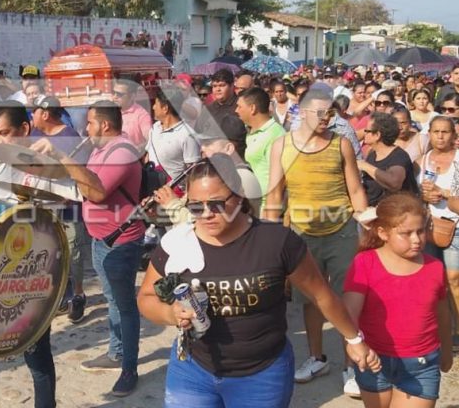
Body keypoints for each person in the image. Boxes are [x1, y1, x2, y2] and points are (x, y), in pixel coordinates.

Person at [137, 154, 380, 408]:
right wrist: (170, 313)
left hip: (262, 377)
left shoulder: (276, 242)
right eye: (196, 206)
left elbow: (321, 295)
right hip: (192, 371)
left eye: (217, 204)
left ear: (239, 196)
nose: (207, 214)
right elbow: (145, 298)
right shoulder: (178, 242)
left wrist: (355, 340)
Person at [33, 101, 143, 397]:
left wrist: (60, 154)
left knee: (125, 306)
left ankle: (129, 369)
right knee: (111, 300)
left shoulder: (121, 152)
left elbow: (96, 190)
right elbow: (85, 187)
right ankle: (116, 352)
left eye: (90, 123)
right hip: (101, 238)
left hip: (120, 242)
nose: (85, 128)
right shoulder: (99, 149)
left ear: (105, 125)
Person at [265, 87, 368, 396]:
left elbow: (356, 188)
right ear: (304, 113)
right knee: (310, 299)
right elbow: (274, 195)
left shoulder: (342, 145)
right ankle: (316, 358)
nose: (326, 119)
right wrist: (270, 238)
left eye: (331, 114)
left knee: (345, 300)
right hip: (301, 235)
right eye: (321, 113)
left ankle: (351, 367)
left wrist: (364, 224)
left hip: (342, 233)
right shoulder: (281, 146)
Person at [0, 102, 58, 408]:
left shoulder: (47, 169)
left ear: (25, 130)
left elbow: (53, 226)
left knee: (36, 357)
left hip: (30, 280)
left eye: (4, 133)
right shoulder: (1, 168)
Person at [344, 193, 452, 407]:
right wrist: (354, 345)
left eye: (420, 231)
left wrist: (446, 350)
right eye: (406, 233)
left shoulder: (435, 267)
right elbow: (349, 312)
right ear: (383, 233)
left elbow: (442, 313)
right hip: (375, 360)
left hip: (422, 363)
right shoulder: (365, 263)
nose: (416, 239)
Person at [31, 95, 90, 322]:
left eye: (34, 111)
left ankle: (78, 294)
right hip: (42, 203)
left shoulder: (70, 136)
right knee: (48, 251)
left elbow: (81, 171)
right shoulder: (35, 135)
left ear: (45, 113)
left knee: (73, 251)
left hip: (67, 205)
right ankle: (57, 295)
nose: (32, 116)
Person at [420, 117, 459, 343]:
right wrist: (423, 196)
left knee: (453, 278)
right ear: (430, 134)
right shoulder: (421, 161)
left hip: (454, 226)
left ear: (453, 135)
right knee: (434, 280)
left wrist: (443, 193)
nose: (441, 136)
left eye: (445, 132)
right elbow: (413, 194)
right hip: (429, 227)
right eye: (436, 131)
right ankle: (441, 329)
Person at [235, 87, 285, 210]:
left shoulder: (276, 135)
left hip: (267, 208)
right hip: (252, 205)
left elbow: (280, 181)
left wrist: (270, 215)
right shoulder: (250, 132)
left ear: (252, 108)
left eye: (239, 107)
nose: (236, 110)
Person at [358, 112, 419, 206]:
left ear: (377, 135)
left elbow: (394, 183)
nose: (364, 133)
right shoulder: (372, 153)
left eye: (367, 131)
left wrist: (366, 166)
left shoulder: (399, 156)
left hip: (396, 213)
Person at [147, 88, 199, 184]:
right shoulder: (155, 128)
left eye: (156, 104)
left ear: (165, 108)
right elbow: (148, 156)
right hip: (152, 189)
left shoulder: (188, 135)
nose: (153, 107)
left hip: (174, 194)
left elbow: (193, 172)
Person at [111, 79, 152, 151]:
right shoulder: (109, 111)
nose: (115, 96)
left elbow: (150, 140)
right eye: (113, 92)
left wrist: (136, 149)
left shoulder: (142, 115)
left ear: (132, 96)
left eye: (119, 94)